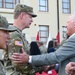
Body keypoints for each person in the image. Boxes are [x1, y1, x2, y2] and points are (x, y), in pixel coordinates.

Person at [4, 3, 37, 75]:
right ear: (22, 15)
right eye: (30, 17)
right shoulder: (15, 35)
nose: (32, 20)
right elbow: (19, 64)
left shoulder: (18, 34)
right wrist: (41, 68)